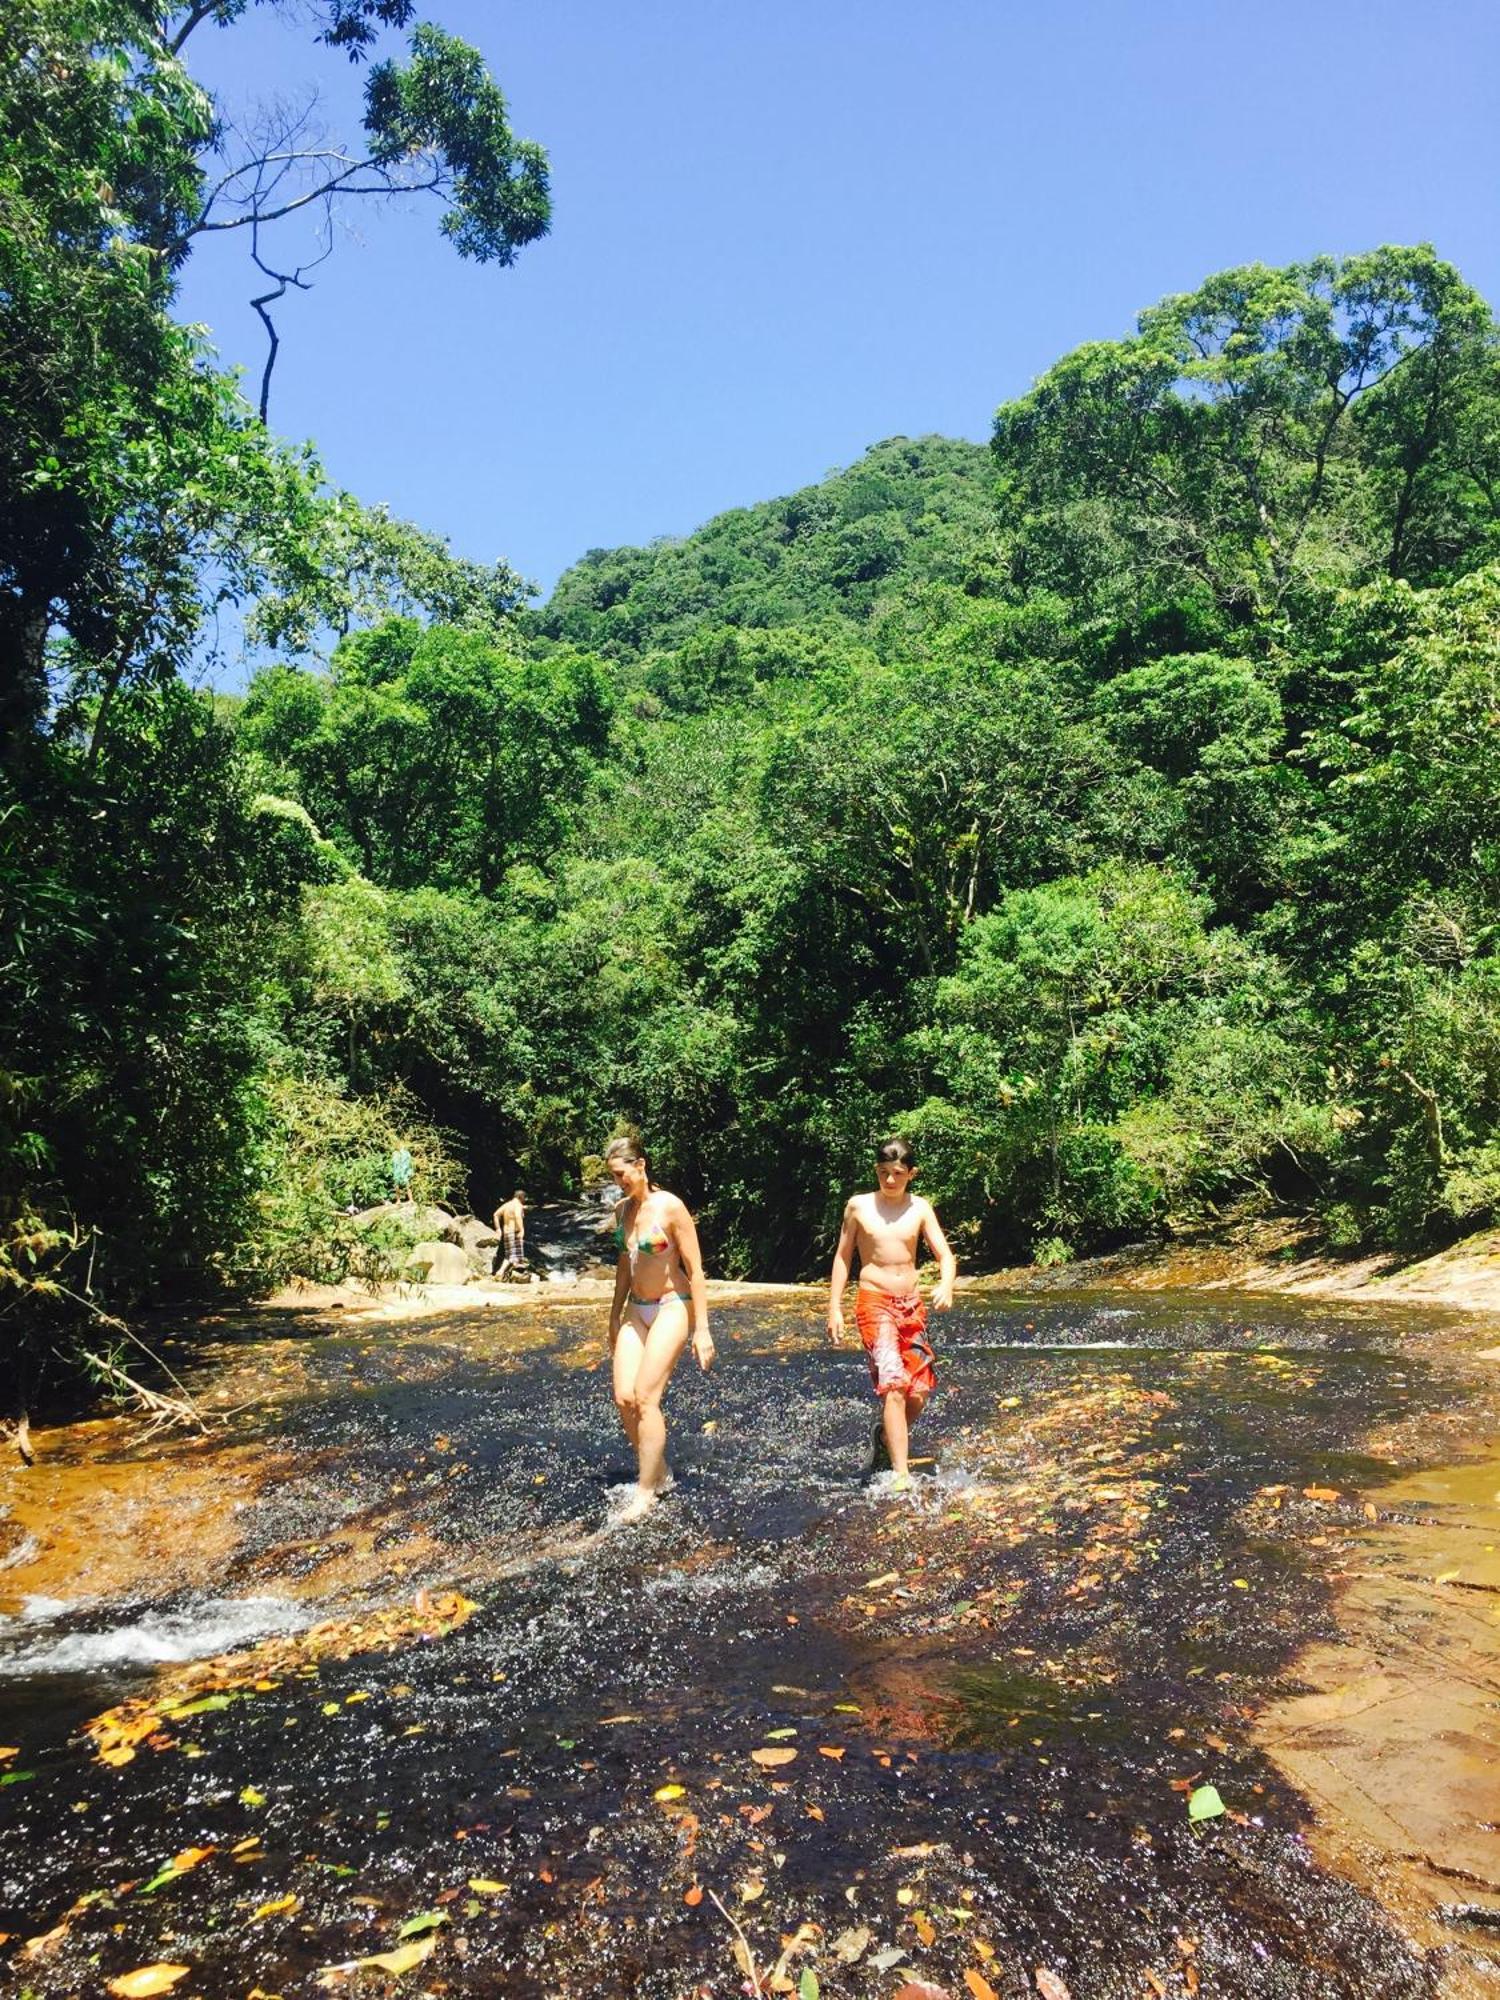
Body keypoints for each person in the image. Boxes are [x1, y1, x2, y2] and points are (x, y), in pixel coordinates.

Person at [828, 1136, 956, 1490]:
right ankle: (901, 1475)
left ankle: (884, 1436)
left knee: (919, 1392)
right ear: (876, 1171)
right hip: (874, 1302)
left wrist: (946, 1285)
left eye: (897, 1173)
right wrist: (834, 1307)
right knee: (895, 1387)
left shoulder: (920, 1208)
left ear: (911, 1174)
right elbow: (843, 1257)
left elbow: (945, 1255)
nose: (889, 1181)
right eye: (883, 1173)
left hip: (911, 1306)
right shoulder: (858, 1207)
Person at [605, 1136, 714, 1519]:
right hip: (637, 1309)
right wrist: (614, 1316)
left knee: (646, 1396)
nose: (619, 1182)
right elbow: (624, 1267)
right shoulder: (622, 1211)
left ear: (641, 1165)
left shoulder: (670, 1207)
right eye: (613, 1176)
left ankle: (645, 1491)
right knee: (624, 1398)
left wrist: (702, 1329)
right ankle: (660, 1470)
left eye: (621, 1174)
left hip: (672, 1305)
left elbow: (696, 1270)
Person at [493, 1190, 527, 1278]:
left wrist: (498, 1229)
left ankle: (504, 1271)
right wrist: (521, 1230)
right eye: (524, 1199)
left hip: (506, 1232)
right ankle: (503, 1272)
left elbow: (495, 1215)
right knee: (513, 1257)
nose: (524, 1201)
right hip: (514, 1232)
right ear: (521, 1197)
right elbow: (517, 1216)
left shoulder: (507, 1205)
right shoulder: (518, 1205)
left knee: (511, 1255)